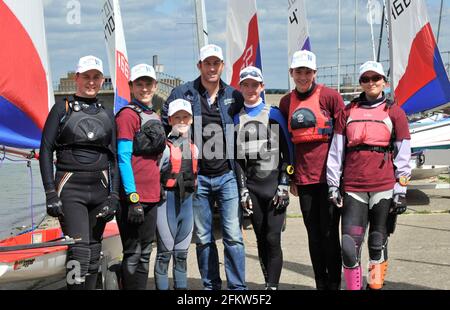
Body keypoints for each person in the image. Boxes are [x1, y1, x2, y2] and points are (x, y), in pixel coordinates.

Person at [161, 44, 246, 290]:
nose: (211, 68)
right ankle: (211, 287)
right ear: (199, 66)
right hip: (196, 178)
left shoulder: (234, 95)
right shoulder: (182, 93)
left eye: (216, 63)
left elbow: (250, 123)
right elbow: (163, 124)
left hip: (227, 175)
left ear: (222, 66)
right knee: (205, 238)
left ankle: (238, 289)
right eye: (206, 63)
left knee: (233, 237)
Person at [326, 61, 411, 290]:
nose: (371, 82)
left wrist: (401, 191)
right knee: (348, 247)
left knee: (376, 243)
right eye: (366, 79)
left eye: (376, 78)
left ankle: (374, 287)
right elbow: (337, 150)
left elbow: (403, 153)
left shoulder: (395, 112)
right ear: (361, 82)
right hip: (354, 187)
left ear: (384, 81)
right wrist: (333, 185)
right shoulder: (348, 111)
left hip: (383, 187)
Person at [39, 55, 119, 290]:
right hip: (70, 189)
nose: (91, 82)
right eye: (86, 77)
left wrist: (114, 197)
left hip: (100, 190)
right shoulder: (61, 109)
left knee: (95, 251)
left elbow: (113, 158)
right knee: (80, 252)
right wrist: (50, 193)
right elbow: (45, 151)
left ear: (102, 80)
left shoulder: (106, 113)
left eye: (96, 77)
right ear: (77, 78)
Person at [279, 50, 345, 290]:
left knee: (330, 235)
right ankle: (320, 283)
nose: (303, 76)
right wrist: (291, 178)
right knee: (313, 236)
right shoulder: (286, 102)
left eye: (308, 72)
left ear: (315, 73)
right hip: (304, 181)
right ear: (291, 73)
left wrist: (340, 180)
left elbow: (342, 139)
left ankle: (334, 284)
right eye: (299, 72)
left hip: (329, 180)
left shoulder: (331, 97)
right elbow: (286, 143)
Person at [233, 66, 294, 290]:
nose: (250, 89)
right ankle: (268, 284)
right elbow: (238, 160)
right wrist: (243, 190)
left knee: (272, 239)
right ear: (240, 88)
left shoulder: (273, 114)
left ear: (262, 87)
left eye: (255, 85)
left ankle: (272, 286)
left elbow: (287, 152)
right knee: (260, 239)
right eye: (246, 85)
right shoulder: (236, 118)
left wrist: (284, 184)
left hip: (274, 187)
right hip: (253, 188)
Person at [115, 64, 166, 290]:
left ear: (155, 86)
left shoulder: (152, 115)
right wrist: (132, 196)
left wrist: (159, 185)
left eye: (148, 84)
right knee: (133, 253)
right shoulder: (127, 115)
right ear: (131, 87)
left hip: (152, 195)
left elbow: (156, 159)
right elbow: (123, 158)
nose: (144, 88)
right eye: (139, 84)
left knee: (146, 252)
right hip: (133, 198)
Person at [154, 99, 198, 290]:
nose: (182, 121)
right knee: (164, 255)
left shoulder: (195, 148)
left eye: (185, 117)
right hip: (166, 205)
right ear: (170, 120)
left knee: (181, 256)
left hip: (187, 206)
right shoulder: (163, 148)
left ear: (191, 120)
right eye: (177, 117)